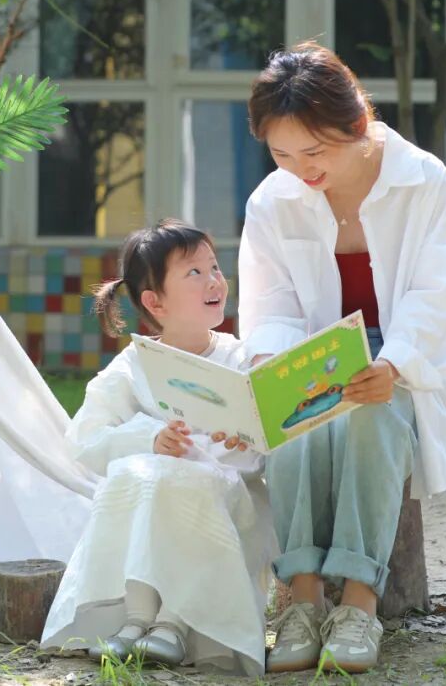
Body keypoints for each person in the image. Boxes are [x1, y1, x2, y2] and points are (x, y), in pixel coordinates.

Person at [233, 41, 446, 674]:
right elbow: (270, 308)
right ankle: (302, 598)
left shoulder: (423, 181)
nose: (300, 169)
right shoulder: (272, 201)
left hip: (401, 359)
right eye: (282, 154)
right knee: (295, 421)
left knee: (371, 413)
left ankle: (360, 604)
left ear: (358, 123)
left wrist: (393, 365)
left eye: (315, 152)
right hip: (312, 357)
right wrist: (276, 369)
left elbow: (436, 295)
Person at [40, 220, 273, 676]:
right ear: (154, 302)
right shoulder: (134, 365)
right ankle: (136, 618)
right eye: (194, 273)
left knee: (183, 479)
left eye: (215, 267)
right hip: (153, 497)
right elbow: (86, 438)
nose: (214, 281)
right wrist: (150, 439)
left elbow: (263, 444)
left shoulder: (242, 357)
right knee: (135, 473)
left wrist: (236, 438)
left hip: (228, 506)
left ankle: (174, 622)